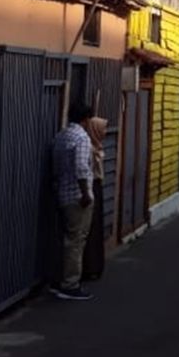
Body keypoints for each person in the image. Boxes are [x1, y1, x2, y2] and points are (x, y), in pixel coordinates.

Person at [50, 103, 95, 301]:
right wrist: (85, 193)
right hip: (77, 196)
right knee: (76, 239)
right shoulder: (82, 138)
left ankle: (57, 278)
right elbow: (81, 166)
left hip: (62, 192)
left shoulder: (61, 136)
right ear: (86, 119)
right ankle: (70, 284)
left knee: (64, 237)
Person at [82, 116, 108, 282]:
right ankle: (89, 266)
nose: (105, 132)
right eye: (103, 128)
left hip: (95, 188)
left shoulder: (96, 146)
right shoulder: (89, 149)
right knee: (89, 229)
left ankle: (94, 265)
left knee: (95, 227)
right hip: (90, 189)